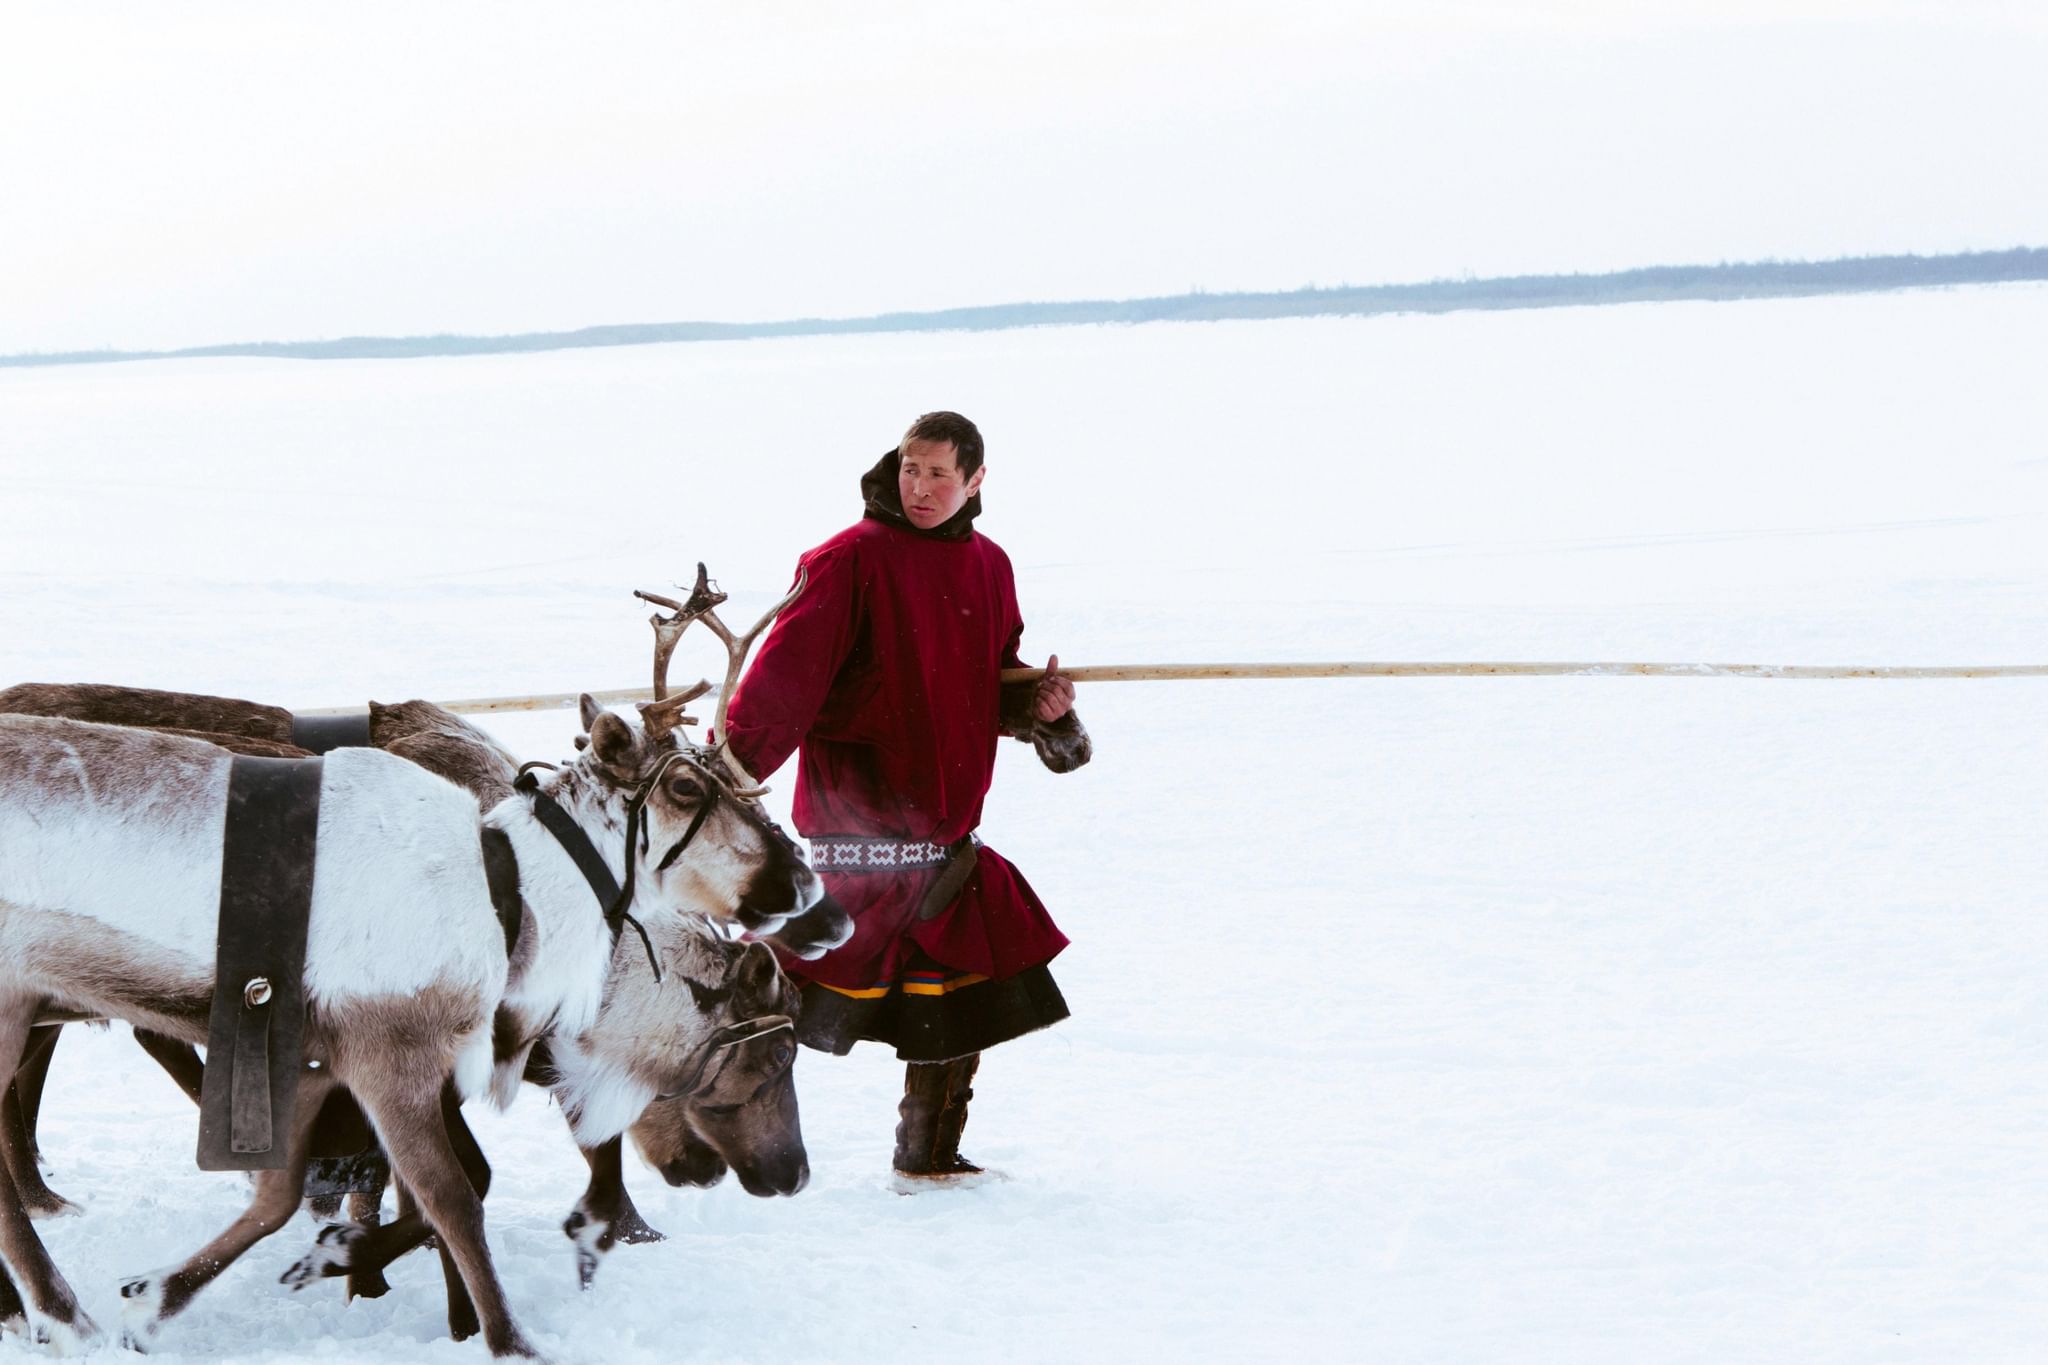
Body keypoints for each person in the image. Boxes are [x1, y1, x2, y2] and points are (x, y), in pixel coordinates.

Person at [722, 410, 1091, 1186]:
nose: (919, 487)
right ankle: (699, 1136)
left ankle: (927, 1158)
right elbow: (780, 686)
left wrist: (1041, 710)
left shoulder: (990, 568)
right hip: (855, 848)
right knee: (752, 1013)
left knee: (961, 1002)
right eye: (910, 469)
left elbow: (993, 681)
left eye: (939, 475)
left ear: (977, 481)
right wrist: (726, 775)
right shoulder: (846, 561)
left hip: (947, 845)